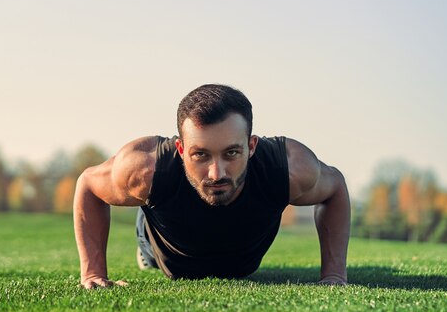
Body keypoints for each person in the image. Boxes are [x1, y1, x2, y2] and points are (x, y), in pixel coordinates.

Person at [73, 84, 350, 288]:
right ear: (181, 149)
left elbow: (335, 186)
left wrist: (334, 274)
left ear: (251, 146)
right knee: (150, 208)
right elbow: (88, 184)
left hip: (242, 261)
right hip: (162, 243)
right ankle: (146, 247)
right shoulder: (145, 169)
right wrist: (93, 273)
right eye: (201, 154)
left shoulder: (287, 168)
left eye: (231, 153)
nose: (217, 173)